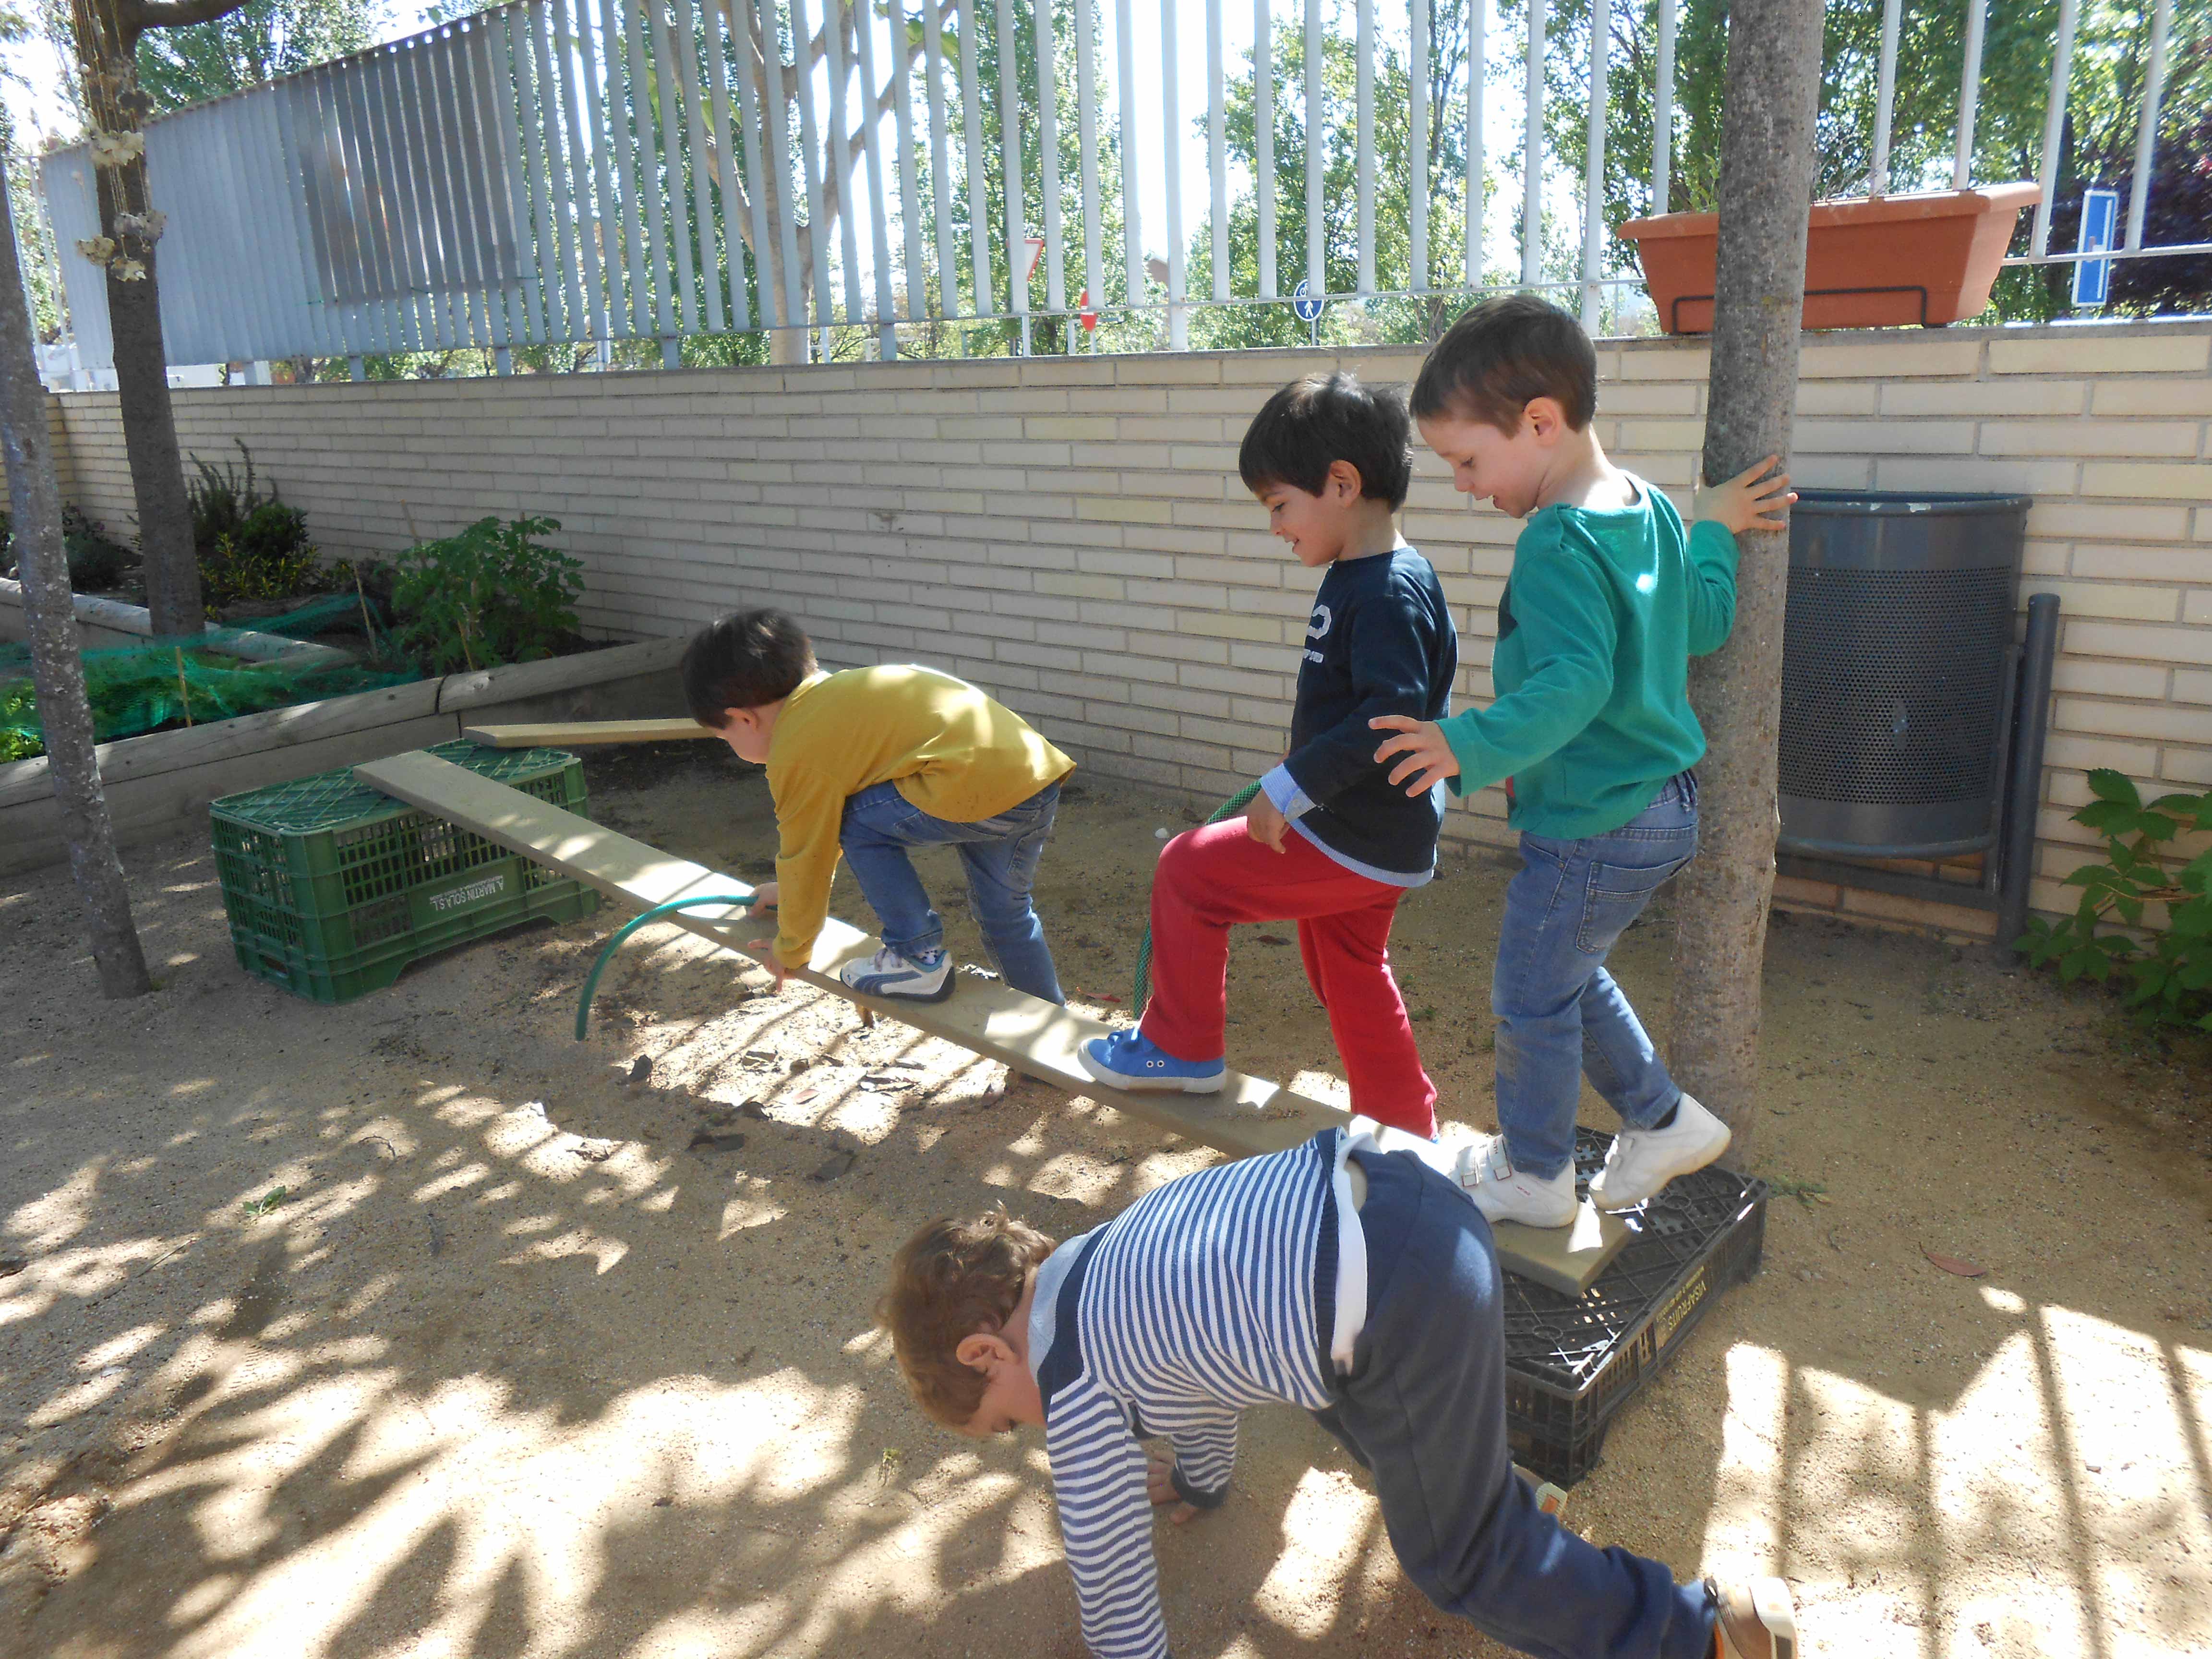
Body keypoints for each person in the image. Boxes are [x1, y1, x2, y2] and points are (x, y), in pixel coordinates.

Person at [876, 1126, 1801, 1659]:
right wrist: (1199, 1485)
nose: (1033, 1434)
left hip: (1398, 1301)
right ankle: (1494, 1492)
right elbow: (1202, 1391)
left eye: (1007, 1422)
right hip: (1403, 1203)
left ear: (985, 1353)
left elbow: (1113, 1591)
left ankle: (1702, 1631)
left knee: (1460, 1562)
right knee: (1337, 1394)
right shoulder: (1089, 1262)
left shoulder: (1074, 1391)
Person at [1369, 294, 1794, 1226]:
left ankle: (1536, 1177)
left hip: (1594, 817)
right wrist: (1713, 524)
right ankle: (1660, 1120)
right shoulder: (1643, 508)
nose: (1468, 486)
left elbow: (1574, 687)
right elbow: (1709, 619)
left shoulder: (1559, 539)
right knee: (1565, 970)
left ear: (1541, 423)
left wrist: (1463, 744)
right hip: (1662, 807)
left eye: (1469, 461)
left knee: (1528, 994)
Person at [1077, 373, 1455, 1138]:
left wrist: (1290, 784)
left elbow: (1388, 718)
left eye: (1280, 504)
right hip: (1376, 833)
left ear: (1341, 484)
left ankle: (1180, 1046)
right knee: (1346, 967)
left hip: (1355, 834)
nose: (1276, 526)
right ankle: (1403, 1123)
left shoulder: (1385, 591)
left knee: (1189, 870)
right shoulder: (1366, 576)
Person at [681, 607, 1072, 1003]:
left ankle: (919, 958)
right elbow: (815, 852)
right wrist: (790, 892)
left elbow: (808, 851)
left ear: (743, 720)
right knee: (1006, 915)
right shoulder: (850, 693)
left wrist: (791, 951)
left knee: (852, 819)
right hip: (1033, 780)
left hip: (968, 788)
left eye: (724, 737)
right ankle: (1050, 1021)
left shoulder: (795, 749)